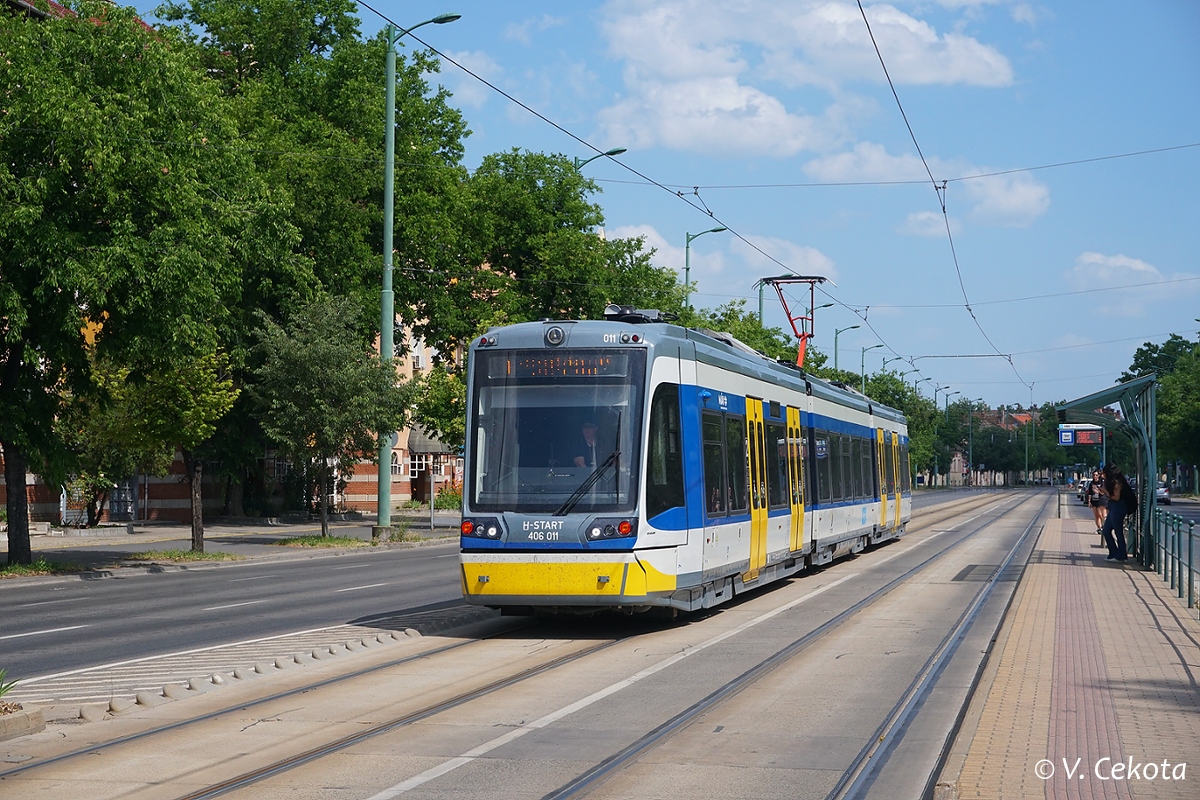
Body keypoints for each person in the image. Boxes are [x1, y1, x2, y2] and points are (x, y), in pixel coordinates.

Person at [1099, 464, 1129, 562]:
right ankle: (1114, 553)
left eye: (1104, 473)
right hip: (1114, 507)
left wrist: (1105, 492)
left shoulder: (1117, 482)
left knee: (1118, 532)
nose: (1103, 475)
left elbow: (1116, 497)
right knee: (1106, 531)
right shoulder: (1111, 482)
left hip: (1118, 507)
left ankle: (1121, 555)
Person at [1089, 469, 1108, 537]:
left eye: (1096, 475)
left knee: (1101, 515)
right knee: (1096, 516)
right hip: (1094, 500)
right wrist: (1089, 501)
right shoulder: (1091, 483)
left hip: (1100, 500)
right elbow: (1090, 493)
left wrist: (1098, 490)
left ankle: (1103, 528)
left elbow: (1103, 492)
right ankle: (1099, 528)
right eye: (1094, 475)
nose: (1095, 476)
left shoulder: (1102, 482)